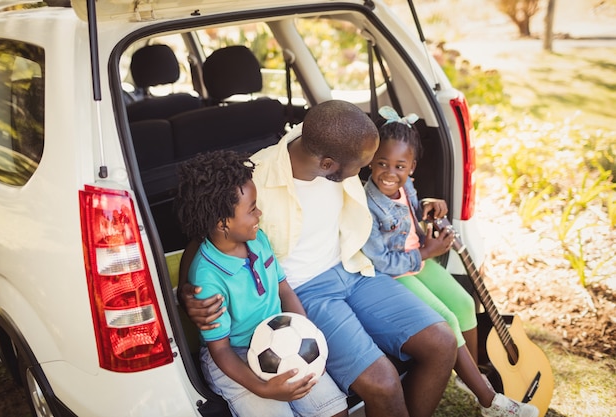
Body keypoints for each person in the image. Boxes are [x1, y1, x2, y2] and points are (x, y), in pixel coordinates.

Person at [179, 100, 458, 417]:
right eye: (360, 167)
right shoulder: (255, 179)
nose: (366, 171)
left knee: (442, 342)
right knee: (384, 383)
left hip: (354, 268)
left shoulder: (332, 141)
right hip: (304, 290)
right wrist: (187, 293)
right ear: (328, 165)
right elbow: (204, 234)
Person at [361, 106, 539, 417]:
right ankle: (488, 400)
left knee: (464, 303)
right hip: (393, 273)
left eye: (400, 166)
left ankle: (469, 380)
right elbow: (383, 262)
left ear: (412, 167)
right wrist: (427, 252)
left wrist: (428, 204)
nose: (390, 173)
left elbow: (411, 211)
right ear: (371, 162)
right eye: (382, 164)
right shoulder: (368, 203)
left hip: (417, 260)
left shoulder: (406, 186)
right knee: (446, 318)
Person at [175, 150, 348, 417]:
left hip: (284, 337)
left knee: (334, 410)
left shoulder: (258, 239)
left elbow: (284, 289)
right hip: (234, 356)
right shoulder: (207, 277)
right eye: (252, 208)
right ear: (223, 223)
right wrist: (263, 389)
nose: (260, 213)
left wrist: (309, 338)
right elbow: (220, 349)